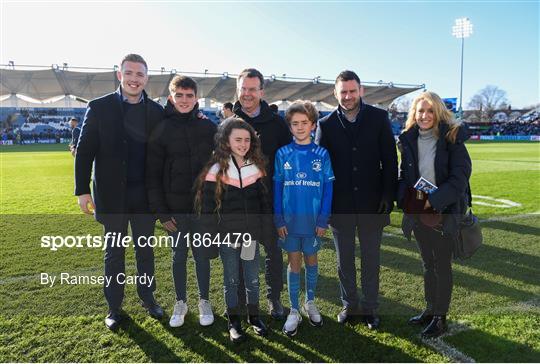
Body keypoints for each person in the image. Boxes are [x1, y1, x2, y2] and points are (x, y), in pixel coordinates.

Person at [75, 54, 164, 330]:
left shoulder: (157, 111)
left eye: (140, 74)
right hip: (112, 196)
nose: (134, 79)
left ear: (146, 78)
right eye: (129, 73)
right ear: (119, 75)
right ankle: (114, 308)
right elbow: (85, 151)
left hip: (144, 197)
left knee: (145, 252)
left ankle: (148, 299)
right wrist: (81, 190)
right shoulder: (99, 107)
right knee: (114, 253)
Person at [315, 70, 398, 329]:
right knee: (344, 260)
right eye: (343, 92)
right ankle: (350, 305)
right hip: (339, 207)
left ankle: (370, 308)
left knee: (371, 259)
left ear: (360, 90)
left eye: (352, 91)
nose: (348, 96)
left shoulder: (379, 117)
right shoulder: (325, 124)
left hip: (373, 204)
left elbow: (390, 160)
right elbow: (321, 168)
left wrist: (388, 195)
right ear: (335, 94)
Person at [397, 91, 472, 338]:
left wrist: (433, 203)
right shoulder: (408, 139)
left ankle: (440, 317)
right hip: (419, 214)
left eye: (430, 111)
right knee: (427, 264)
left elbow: (459, 179)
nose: (425, 115)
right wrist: (405, 199)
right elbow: (403, 176)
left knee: (442, 266)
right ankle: (429, 310)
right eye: (420, 111)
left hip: (444, 213)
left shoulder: (452, 138)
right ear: (414, 114)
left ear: (438, 112)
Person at [146, 75, 217, 328]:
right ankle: (180, 302)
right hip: (174, 210)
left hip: (201, 209)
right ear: (171, 97)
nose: (184, 100)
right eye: (180, 95)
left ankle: (204, 301)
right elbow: (152, 176)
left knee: (201, 256)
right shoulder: (161, 128)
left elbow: (218, 167)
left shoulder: (208, 127)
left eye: (189, 96)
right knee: (178, 257)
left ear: (196, 98)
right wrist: (162, 214)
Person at [193, 118, 272, 343]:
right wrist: (210, 239)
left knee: (252, 279)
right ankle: (234, 322)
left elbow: (264, 204)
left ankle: (254, 317)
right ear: (226, 140)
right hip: (228, 238)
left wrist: (265, 232)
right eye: (238, 139)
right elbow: (207, 208)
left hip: (250, 238)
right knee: (231, 281)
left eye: (247, 139)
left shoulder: (255, 167)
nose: (243, 144)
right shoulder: (216, 168)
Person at [232, 68, 292, 319]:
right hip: (240, 203)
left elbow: (287, 162)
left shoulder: (277, 123)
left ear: (261, 92)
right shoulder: (229, 123)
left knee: (273, 253)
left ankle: (274, 298)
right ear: (238, 90)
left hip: (270, 202)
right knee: (244, 254)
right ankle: (247, 299)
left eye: (252, 89)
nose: (247, 94)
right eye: (243, 89)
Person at [274, 101, 334, 336]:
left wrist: (323, 220)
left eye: (304, 123)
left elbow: (328, 189)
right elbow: (278, 187)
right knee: (294, 262)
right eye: (295, 123)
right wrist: (278, 219)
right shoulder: (283, 153)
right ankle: (294, 310)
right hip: (289, 222)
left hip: (313, 222)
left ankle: (310, 302)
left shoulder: (322, 154)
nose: (299, 127)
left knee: (311, 260)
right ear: (289, 126)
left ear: (312, 125)